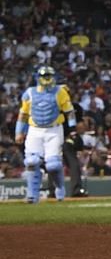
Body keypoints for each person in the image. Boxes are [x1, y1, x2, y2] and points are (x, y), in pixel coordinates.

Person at [14, 65, 73, 203]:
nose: (46, 79)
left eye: (49, 76)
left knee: (53, 165)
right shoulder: (29, 93)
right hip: (34, 129)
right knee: (31, 162)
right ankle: (32, 195)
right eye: (44, 76)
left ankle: (59, 187)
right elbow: (23, 114)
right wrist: (19, 132)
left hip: (54, 129)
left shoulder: (60, 92)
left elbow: (69, 112)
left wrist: (72, 130)